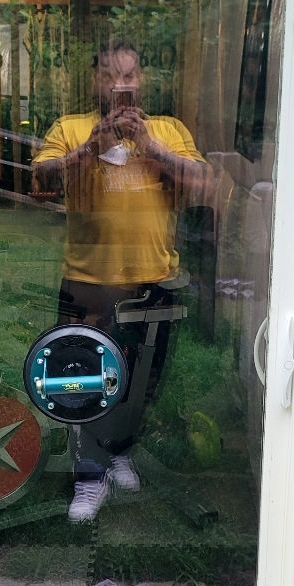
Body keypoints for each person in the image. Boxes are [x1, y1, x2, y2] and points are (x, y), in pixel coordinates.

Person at [32, 43, 210, 522]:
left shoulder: (169, 130)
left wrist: (150, 147)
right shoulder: (70, 128)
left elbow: (202, 183)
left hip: (154, 280)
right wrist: (91, 146)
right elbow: (40, 180)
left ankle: (119, 452)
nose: (120, 85)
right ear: (95, 82)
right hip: (89, 282)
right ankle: (88, 477)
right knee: (80, 381)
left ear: (143, 79)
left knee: (141, 382)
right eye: (110, 76)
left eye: (129, 75)